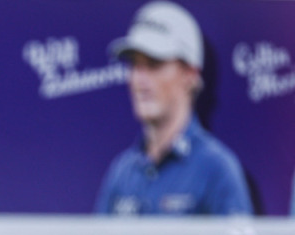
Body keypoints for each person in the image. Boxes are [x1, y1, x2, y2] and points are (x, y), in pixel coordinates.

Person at [95, 1, 252, 216]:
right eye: (134, 65)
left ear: (191, 74)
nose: (139, 80)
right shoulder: (122, 172)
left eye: (153, 64)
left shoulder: (217, 169)